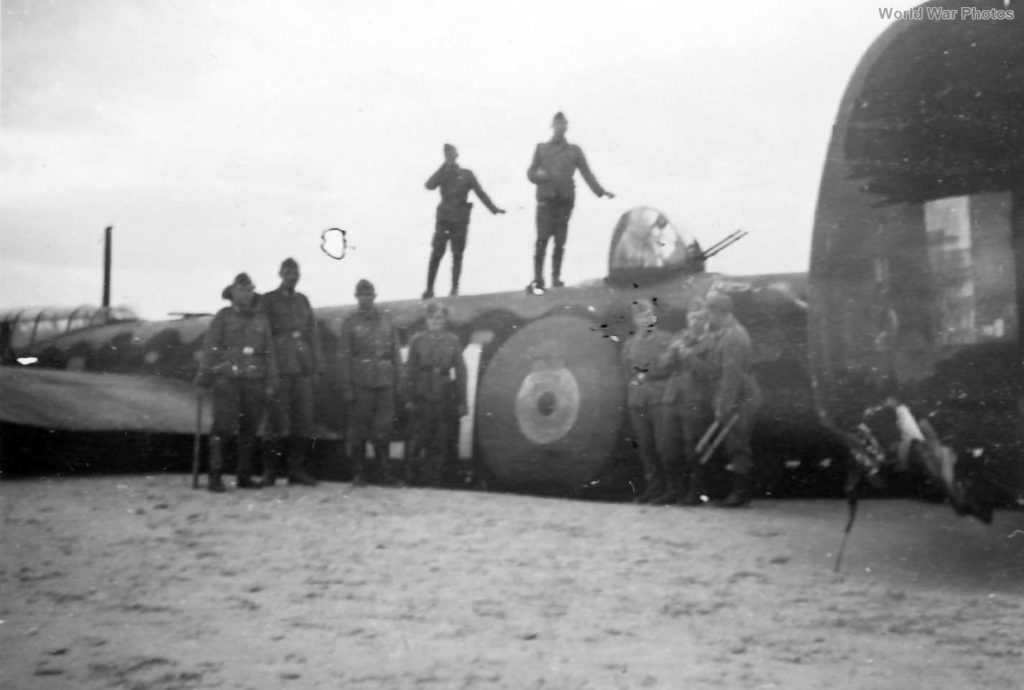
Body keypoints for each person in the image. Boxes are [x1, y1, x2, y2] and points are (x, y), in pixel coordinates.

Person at [194, 273, 278, 493]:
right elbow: (210, 349)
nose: (246, 294)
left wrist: (271, 382)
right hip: (227, 381)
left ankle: (244, 475)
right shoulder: (222, 317)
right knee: (222, 429)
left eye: (249, 290)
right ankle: (215, 476)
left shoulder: (261, 320)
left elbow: (269, 352)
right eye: (241, 290)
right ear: (232, 293)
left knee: (249, 430)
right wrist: (203, 380)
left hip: (254, 380)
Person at [526, 111, 615, 292]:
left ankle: (556, 278)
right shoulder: (541, 148)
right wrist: (537, 176)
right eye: (558, 124)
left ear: (566, 127)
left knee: (560, 241)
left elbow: (586, 173)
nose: (561, 127)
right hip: (546, 200)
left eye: (564, 124)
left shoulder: (574, 150)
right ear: (553, 126)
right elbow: (530, 173)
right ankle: (538, 279)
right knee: (542, 239)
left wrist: (601, 191)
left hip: (564, 201)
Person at [259, 258, 322, 487]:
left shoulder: (303, 301)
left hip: (302, 368)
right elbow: (263, 336)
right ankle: (270, 472)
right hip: (279, 367)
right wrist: (268, 369)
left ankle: (296, 470)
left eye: (295, 272)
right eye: (287, 272)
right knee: (274, 422)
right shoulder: (268, 300)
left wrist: (317, 367)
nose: (291, 276)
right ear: (280, 274)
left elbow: (313, 336)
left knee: (303, 421)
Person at [338, 279, 401, 485]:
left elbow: (395, 354)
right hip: (361, 382)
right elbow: (344, 357)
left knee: (383, 428)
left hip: (384, 382)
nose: (365, 298)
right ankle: (359, 474)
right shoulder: (350, 323)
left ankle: (385, 473)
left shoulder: (386, 321)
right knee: (359, 429)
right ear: (356, 297)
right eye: (361, 295)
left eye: (369, 294)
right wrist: (347, 387)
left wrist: (398, 382)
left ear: (374, 297)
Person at [704, 291, 763, 507]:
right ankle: (737, 492)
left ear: (717, 312)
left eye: (709, 311)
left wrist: (723, 406)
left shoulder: (733, 336)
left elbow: (732, 375)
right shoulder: (729, 333)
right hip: (739, 395)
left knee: (738, 444)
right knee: (734, 444)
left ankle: (740, 494)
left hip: (741, 398)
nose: (708, 317)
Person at [424, 143, 505, 299]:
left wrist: (494, 209)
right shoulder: (443, 173)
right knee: (436, 253)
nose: (449, 158)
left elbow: (480, 193)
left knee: (457, 255)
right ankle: (429, 289)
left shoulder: (467, 174)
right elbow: (429, 185)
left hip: (460, 219)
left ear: (456, 156)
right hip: (444, 219)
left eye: (451, 155)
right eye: (446, 155)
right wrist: (443, 167)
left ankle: (454, 289)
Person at [403, 302, 468, 486]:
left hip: (443, 396)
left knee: (440, 440)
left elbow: (461, 373)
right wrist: (409, 397)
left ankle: (434, 481)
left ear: (445, 320)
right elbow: (409, 371)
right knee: (417, 438)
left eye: (439, 317)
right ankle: (410, 479)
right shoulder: (417, 341)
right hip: (422, 395)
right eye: (431, 318)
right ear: (426, 320)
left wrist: (462, 401)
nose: (435, 321)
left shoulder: (452, 342)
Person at [660, 300, 715, 506]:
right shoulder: (680, 338)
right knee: (668, 447)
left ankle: (695, 492)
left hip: (695, 399)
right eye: (692, 317)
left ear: (707, 319)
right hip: (673, 397)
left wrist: (688, 354)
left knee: (693, 448)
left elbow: (709, 371)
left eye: (700, 317)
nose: (695, 322)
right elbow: (663, 365)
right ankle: (674, 490)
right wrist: (673, 352)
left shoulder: (711, 341)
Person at [621, 298, 675, 504]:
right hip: (638, 400)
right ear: (635, 320)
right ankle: (654, 489)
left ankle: (671, 489)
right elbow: (626, 370)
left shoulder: (666, 340)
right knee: (646, 447)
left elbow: (670, 368)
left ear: (654, 316)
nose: (645, 320)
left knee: (664, 446)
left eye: (648, 315)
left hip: (659, 398)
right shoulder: (630, 344)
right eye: (640, 316)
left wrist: (647, 375)